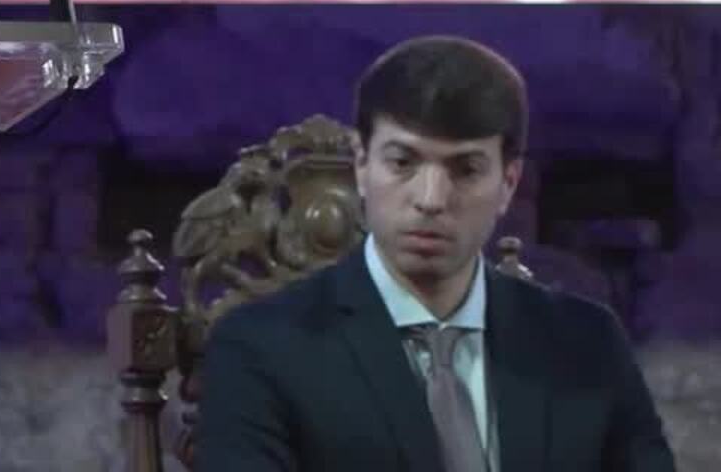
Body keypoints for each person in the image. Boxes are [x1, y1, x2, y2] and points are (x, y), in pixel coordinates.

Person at [197, 35, 675, 472]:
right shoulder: (262, 348)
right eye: (402, 163)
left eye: (465, 170)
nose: (430, 199)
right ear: (361, 164)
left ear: (508, 183)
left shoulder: (587, 344)